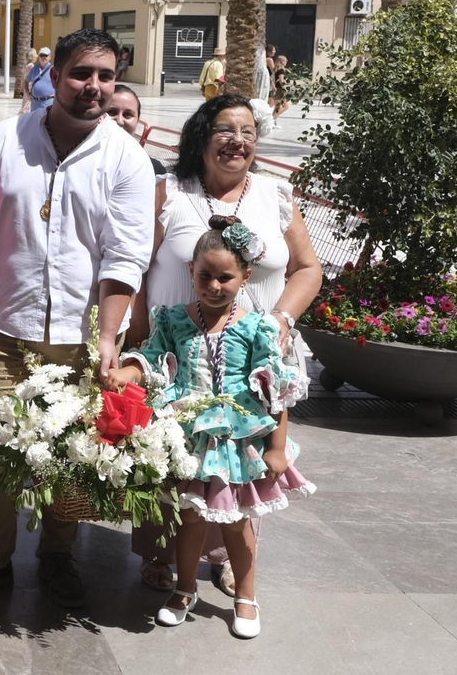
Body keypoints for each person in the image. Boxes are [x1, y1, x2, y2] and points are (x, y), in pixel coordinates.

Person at [0, 28, 153, 608]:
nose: (94, 86)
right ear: (54, 77)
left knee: (70, 454)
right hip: (4, 327)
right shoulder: (6, 140)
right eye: (81, 73)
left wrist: (106, 338)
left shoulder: (126, 158)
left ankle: (58, 557)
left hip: (81, 337)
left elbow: (126, 256)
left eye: (105, 75)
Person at [126, 93, 322, 597]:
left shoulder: (275, 195)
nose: (238, 141)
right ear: (201, 136)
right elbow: (136, 267)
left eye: (248, 132)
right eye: (225, 130)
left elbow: (307, 268)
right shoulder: (170, 192)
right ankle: (161, 554)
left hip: (248, 359)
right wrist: (139, 337)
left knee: (242, 459)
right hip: (177, 355)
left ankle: (229, 559)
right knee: (171, 455)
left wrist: (280, 318)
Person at [110, 215, 315, 639]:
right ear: (191, 271)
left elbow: (275, 391)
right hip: (188, 438)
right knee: (189, 519)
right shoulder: (172, 319)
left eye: (226, 277)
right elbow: (152, 359)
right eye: (205, 275)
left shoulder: (257, 327)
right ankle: (185, 590)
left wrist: (277, 447)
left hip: (237, 443)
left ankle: (246, 596)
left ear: (246, 276)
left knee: (237, 523)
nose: (214, 286)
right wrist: (127, 372)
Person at [107, 84, 166, 177]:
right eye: (111, 112)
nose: (119, 121)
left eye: (127, 114)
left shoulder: (153, 169)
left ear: (137, 120)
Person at [19, 47, 55, 114]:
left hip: (48, 102)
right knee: (34, 120)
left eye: (45, 55)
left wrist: (57, 93)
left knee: (47, 120)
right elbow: (26, 81)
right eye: (41, 55)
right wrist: (28, 93)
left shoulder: (53, 69)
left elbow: (61, 82)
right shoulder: (34, 68)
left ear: (49, 57)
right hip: (35, 103)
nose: (43, 57)